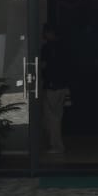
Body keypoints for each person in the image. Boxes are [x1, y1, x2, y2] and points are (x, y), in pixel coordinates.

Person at [40, 24, 68, 154]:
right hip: (62, 86)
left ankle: (55, 145)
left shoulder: (47, 48)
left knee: (51, 117)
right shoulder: (64, 47)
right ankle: (57, 144)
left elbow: (44, 66)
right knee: (57, 116)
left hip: (52, 86)